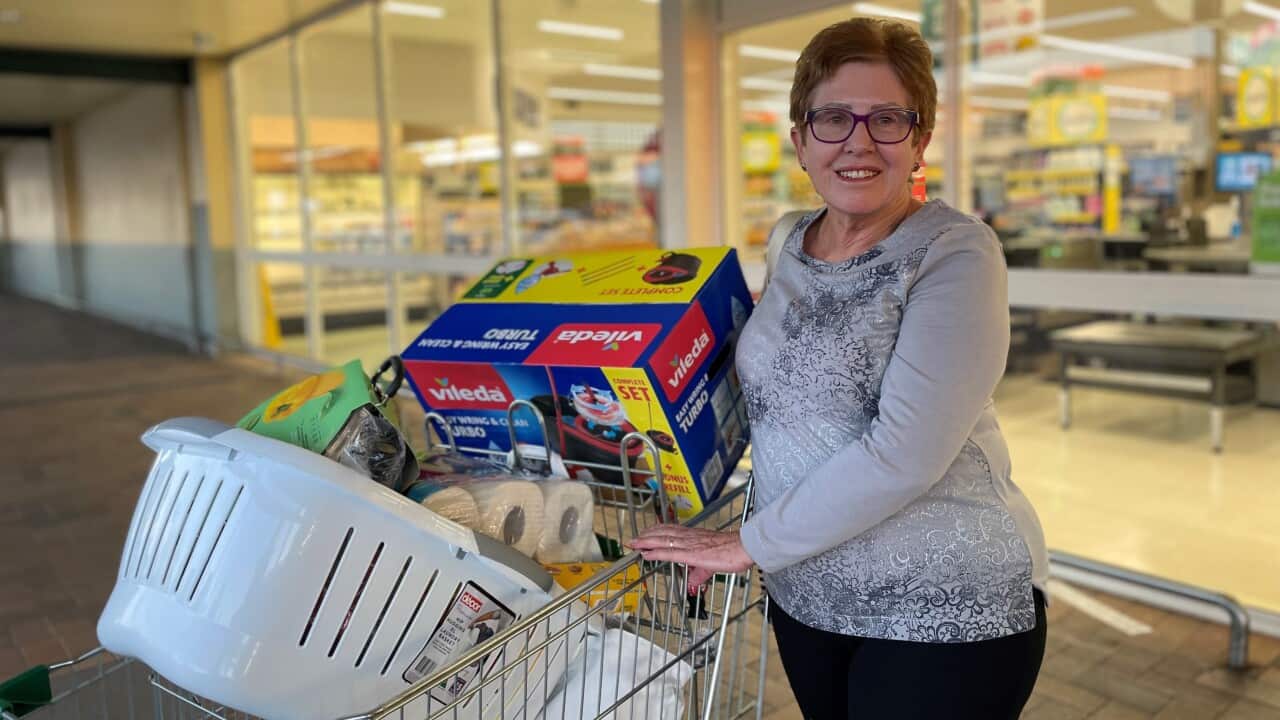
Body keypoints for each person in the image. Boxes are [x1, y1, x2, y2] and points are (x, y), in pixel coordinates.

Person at [629, 17, 1048, 720]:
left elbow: (906, 454)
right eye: (832, 118)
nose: (858, 141)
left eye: (886, 119)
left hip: (943, 608)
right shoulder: (788, 239)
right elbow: (775, 399)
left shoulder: (954, 253)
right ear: (800, 140)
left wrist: (746, 544)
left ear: (919, 140)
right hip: (807, 595)